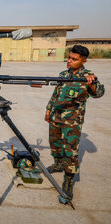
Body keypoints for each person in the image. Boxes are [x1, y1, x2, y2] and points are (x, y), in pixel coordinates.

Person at [45, 45, 105, 202]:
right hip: (56, 116)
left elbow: (99, 92)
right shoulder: (63, 74)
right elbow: (56, 93)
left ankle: (68, 182)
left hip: (72, 121)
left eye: (74, 59)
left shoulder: (88, 76)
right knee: (55, 143)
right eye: (69, 58)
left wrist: (91, 83)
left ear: (83, 60)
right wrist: (48, 109)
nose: (69, 61)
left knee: (70, 151)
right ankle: (57, 164)